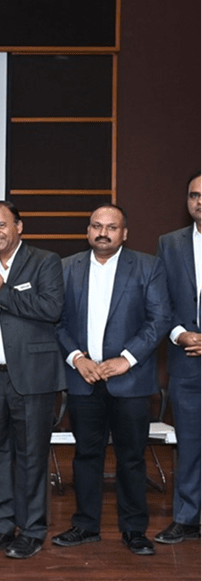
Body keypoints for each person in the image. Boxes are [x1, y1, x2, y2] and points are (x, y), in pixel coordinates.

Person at [52, 204, 170, 555]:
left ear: (124, 233)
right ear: (88, 230)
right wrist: (77, 358)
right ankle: (85, 525)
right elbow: (55, 321)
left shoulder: (148, 266)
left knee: (131, 457)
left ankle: (134, 530)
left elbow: (159, 319)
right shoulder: (66, 268)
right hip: (84, 378)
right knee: (85, 455)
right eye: (96, 226)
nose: (103, 233)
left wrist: (126, 359)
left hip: (130, 380)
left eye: (111, 227)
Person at [0, 200, 65, 559]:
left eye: (1, 225)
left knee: (31, 456)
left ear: (19, 226)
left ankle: (33, 529)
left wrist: (2, 295)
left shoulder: (44, 262)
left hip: (32, 377)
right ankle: (2, 525)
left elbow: (51, 309)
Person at [154, 171, 202, 544]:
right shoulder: (169, 243)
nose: (200, 201)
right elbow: (160, 302)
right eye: (194, 195)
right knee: (189, 443)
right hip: (186, 358)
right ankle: (186, 518)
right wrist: (179, 333)